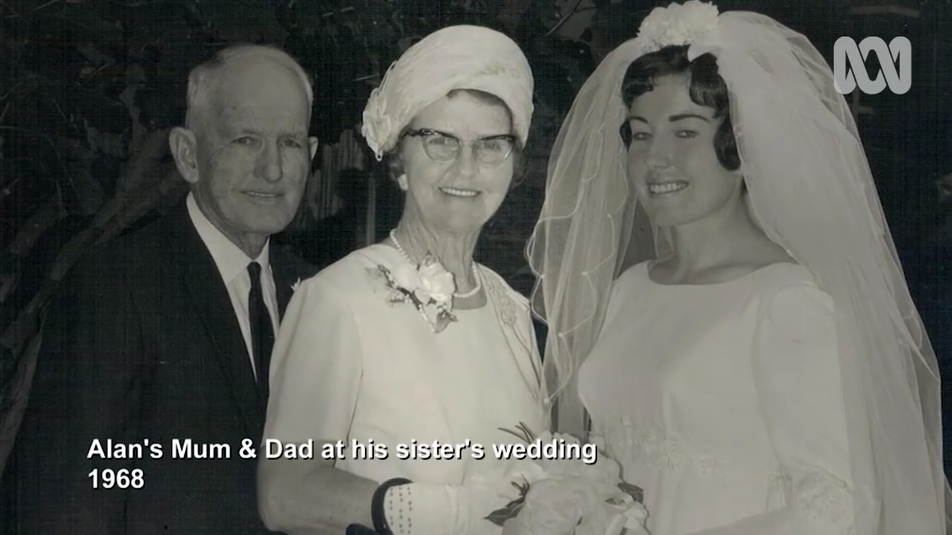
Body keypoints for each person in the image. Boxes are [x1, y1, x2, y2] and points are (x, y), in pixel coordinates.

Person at [526, 1, 952, 534]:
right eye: (640, 133)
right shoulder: (629, 291)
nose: (655, 159)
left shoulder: (788, 302)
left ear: (740, 142)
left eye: (685, 132)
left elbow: (838, 507)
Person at [10, 44, 319, 534]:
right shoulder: (117, 286)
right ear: (187, 155)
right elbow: (68, 500)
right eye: (245, 141)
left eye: (291, 142)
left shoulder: (316, 293)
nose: (273, 170)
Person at [258, 25, 547, 535]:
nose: (466, 167)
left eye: (490, 145)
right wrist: (453, 515)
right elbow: (285, 493)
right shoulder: (337, 300)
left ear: (513, 163)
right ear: (398, 160)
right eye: (440, 141)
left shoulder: (514, 310)